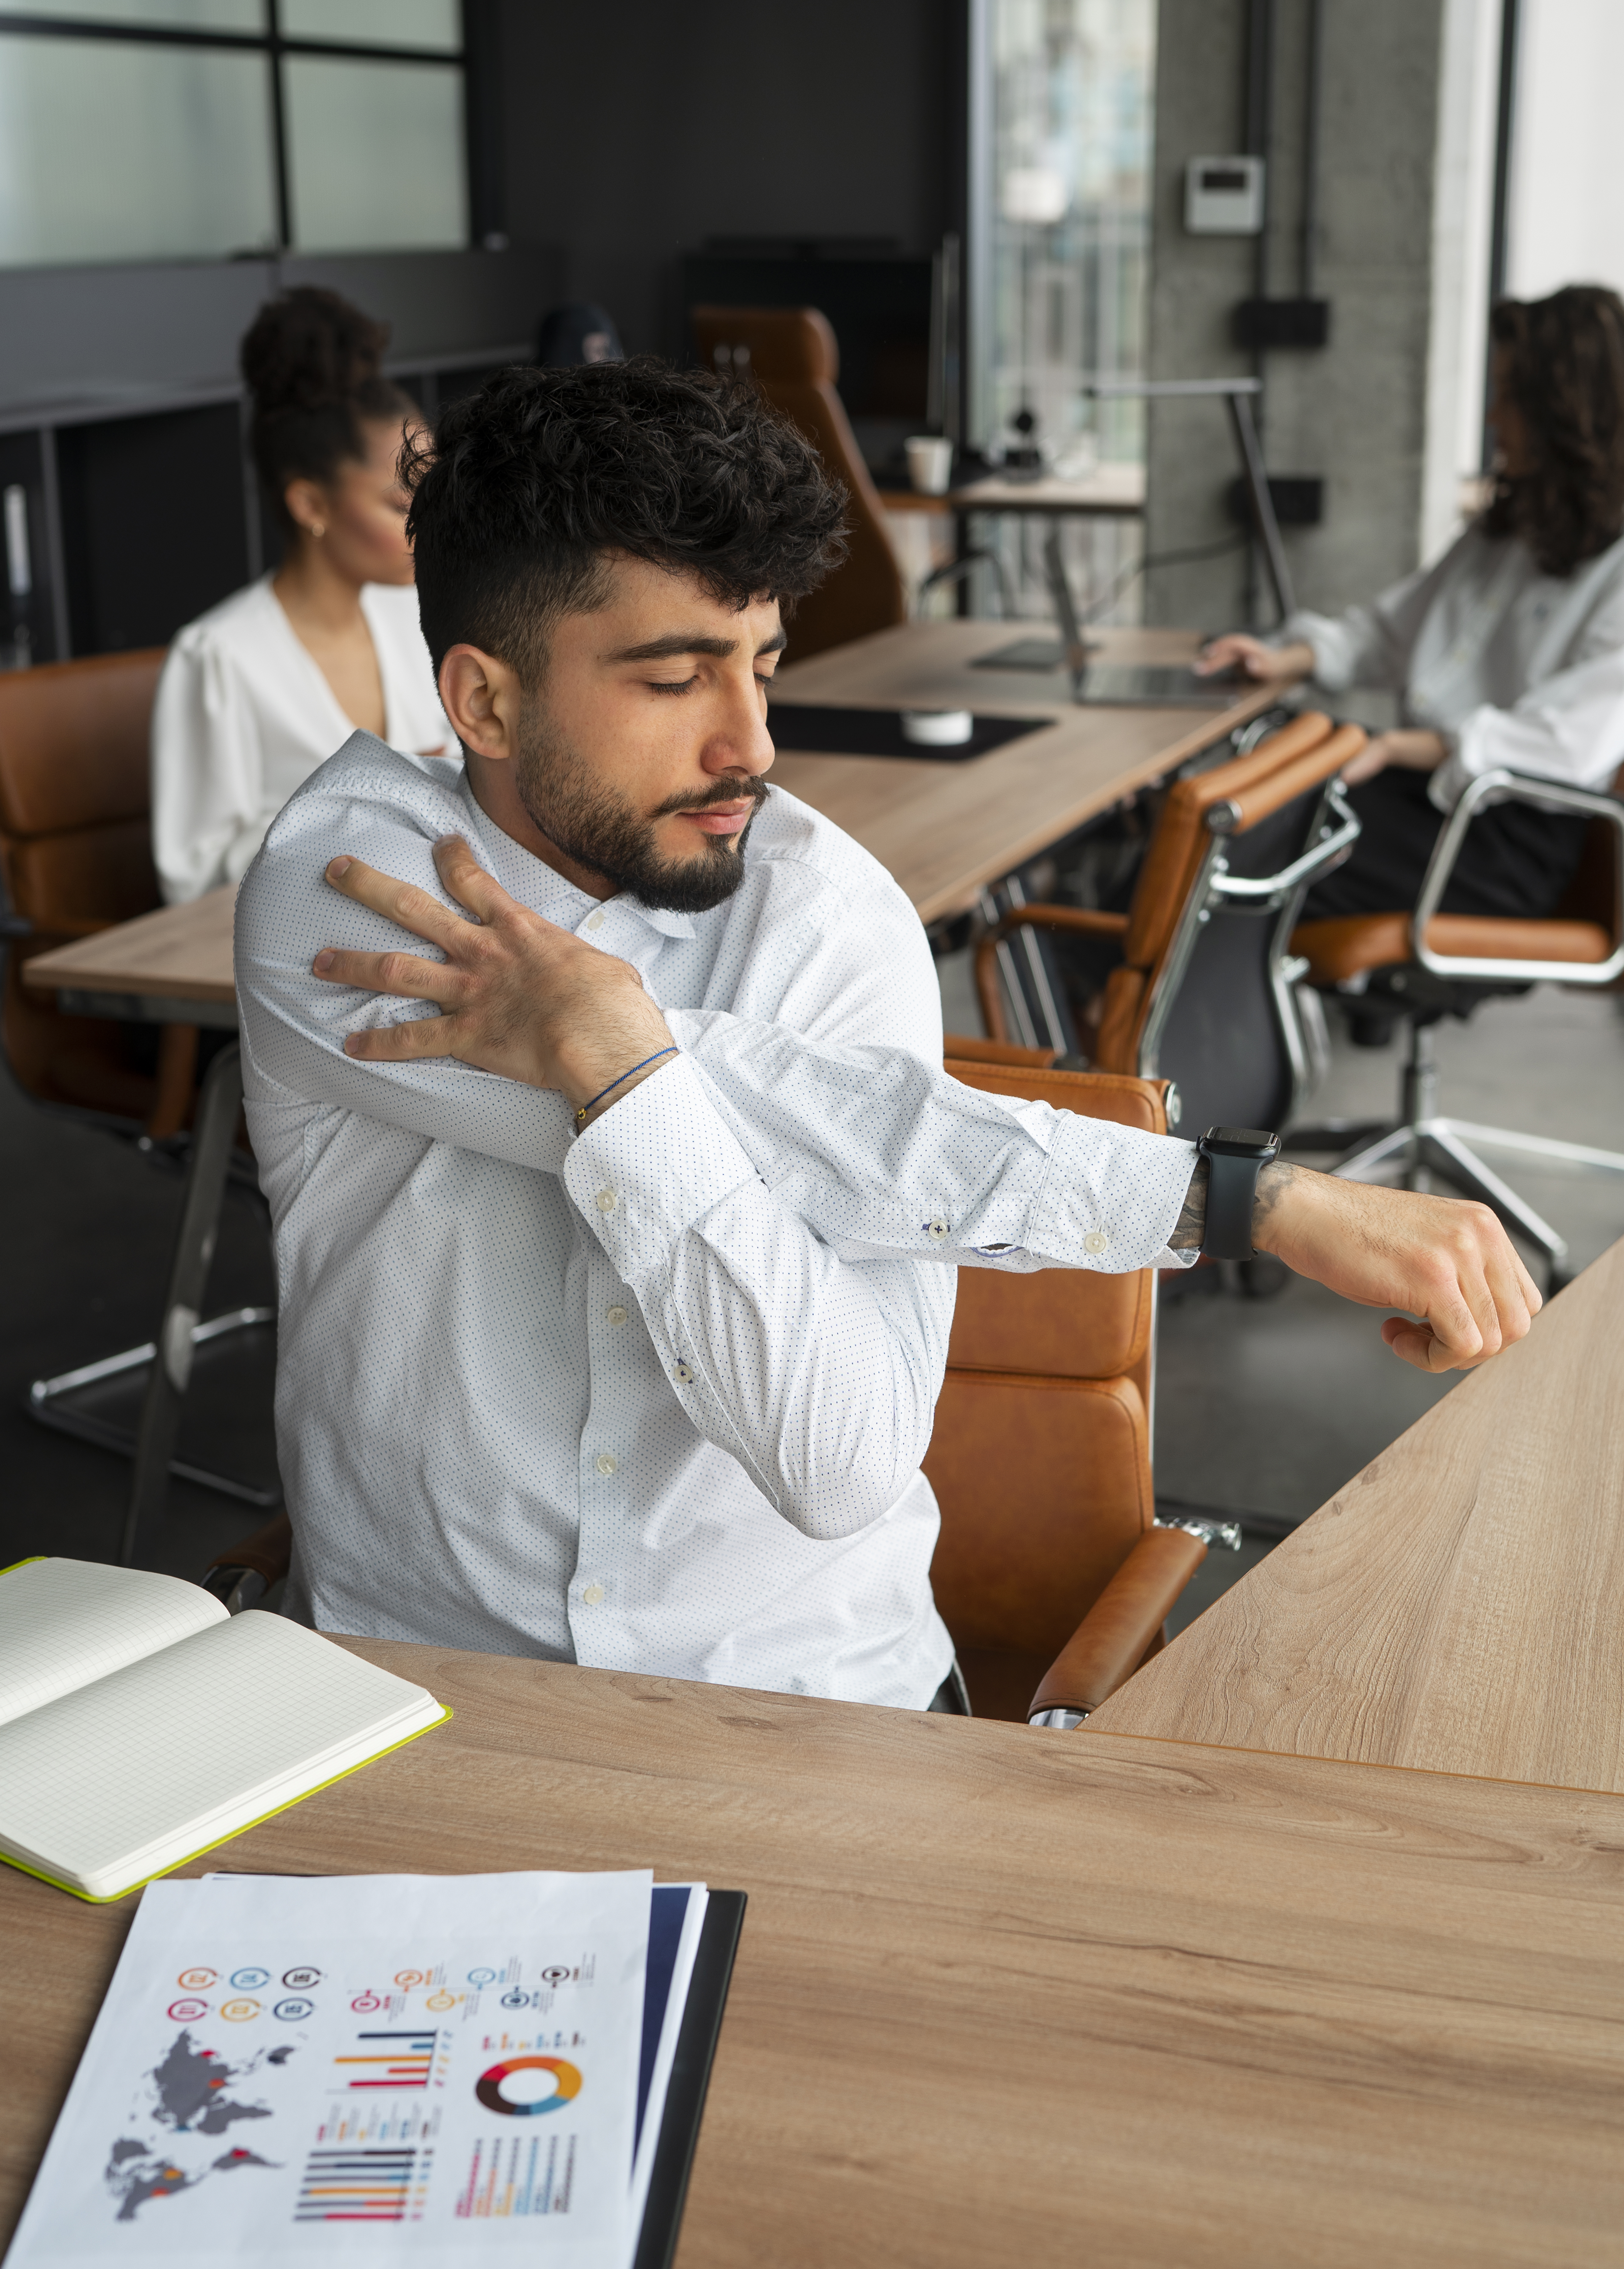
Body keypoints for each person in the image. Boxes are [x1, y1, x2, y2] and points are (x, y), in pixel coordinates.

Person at [234, 360, 1537, 1708]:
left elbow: (840, 1461)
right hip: (415, 1695)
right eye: (675, 679)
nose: (751, 745)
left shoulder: (832, 918)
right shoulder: (339, 893)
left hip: (805, 1700)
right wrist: (1233, 1197)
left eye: (762, 667)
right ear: (483, 703)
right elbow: (819, 1118)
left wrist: (619, 1067)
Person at [1197, 285, 1624, 927]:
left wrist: (1402, 746)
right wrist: (1290, 658)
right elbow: (1391, 632)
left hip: (1499, 839)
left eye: (1510, 397)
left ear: (1565, 411)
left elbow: (1569, 743)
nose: (1494, 418)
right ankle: (1099, 978)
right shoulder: (1508, 530)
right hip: (1425, 801)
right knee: (1227, 816)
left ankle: (1101, 980)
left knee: (1248, 848)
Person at [151, 286, 458, 904]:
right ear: (311, 504)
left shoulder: (417, 615)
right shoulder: (220, 657)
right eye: (401, 504)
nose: (430, 521)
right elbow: (192, 881)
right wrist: (369, 806)